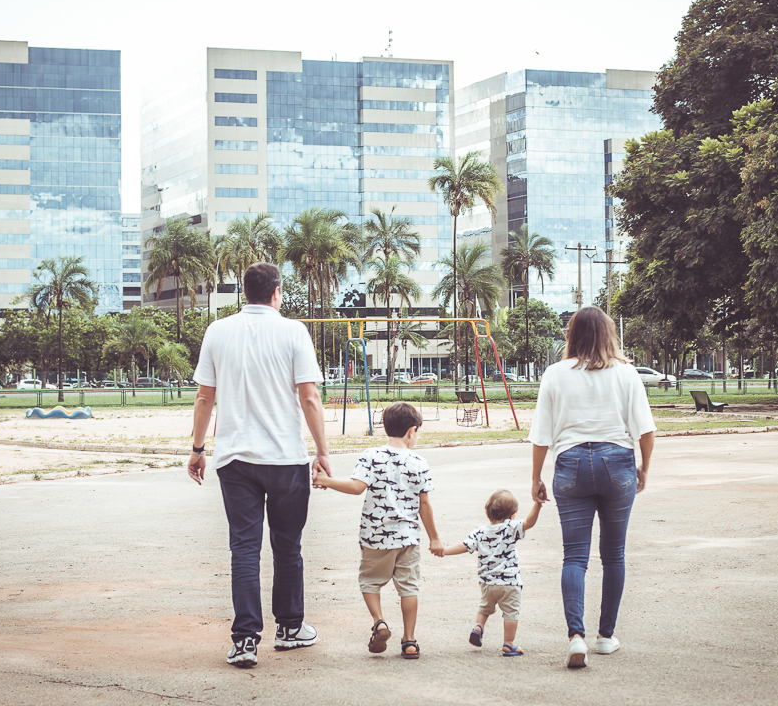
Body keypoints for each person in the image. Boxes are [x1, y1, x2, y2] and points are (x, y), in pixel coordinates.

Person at [186, 262, 330, 669]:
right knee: (288, 547)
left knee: (244, 549)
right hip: (285, 459)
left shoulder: (218, 331)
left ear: (244, 292)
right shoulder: (293, 331)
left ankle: (245, 640)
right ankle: (289, 629)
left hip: (234, 460)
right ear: (277, 292)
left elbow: (203, 398)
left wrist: (197, 448)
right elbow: (309, 397)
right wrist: (323, 452)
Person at [528, 306, 656, 669]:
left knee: (575, 556)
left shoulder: (555, 374)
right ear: (609, 333)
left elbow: (541, 435)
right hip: (618, 462)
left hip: (570, 465)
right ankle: (605, 636)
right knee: (613, 553)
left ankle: (575, 638)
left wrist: (536, 477)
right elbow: (645, 431)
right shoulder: (627, 373)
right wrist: (643, 467)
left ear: (572, 334)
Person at [312, 401, 442, 660]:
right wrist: (434, 538)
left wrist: (325, 480)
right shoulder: (420, 462)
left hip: (375, 536)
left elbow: (356, 487)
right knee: (409, 588)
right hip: (408, 537)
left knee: (370, 581)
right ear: (411, 431)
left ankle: (379, 621)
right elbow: (424, 504)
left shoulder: (371, 455)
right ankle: (410, 641)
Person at [440, 488, 542, 657]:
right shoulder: (511, 527)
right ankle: (509, 644)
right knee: (511, 612)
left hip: (487, 583)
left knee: (484, 608)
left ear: (487, 513)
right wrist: (537, 505)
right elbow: (529, 523)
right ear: (512, 515)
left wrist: (444, 550)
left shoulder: (480, 531)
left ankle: (478, 627)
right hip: (509, 582)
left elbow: (464, 546)